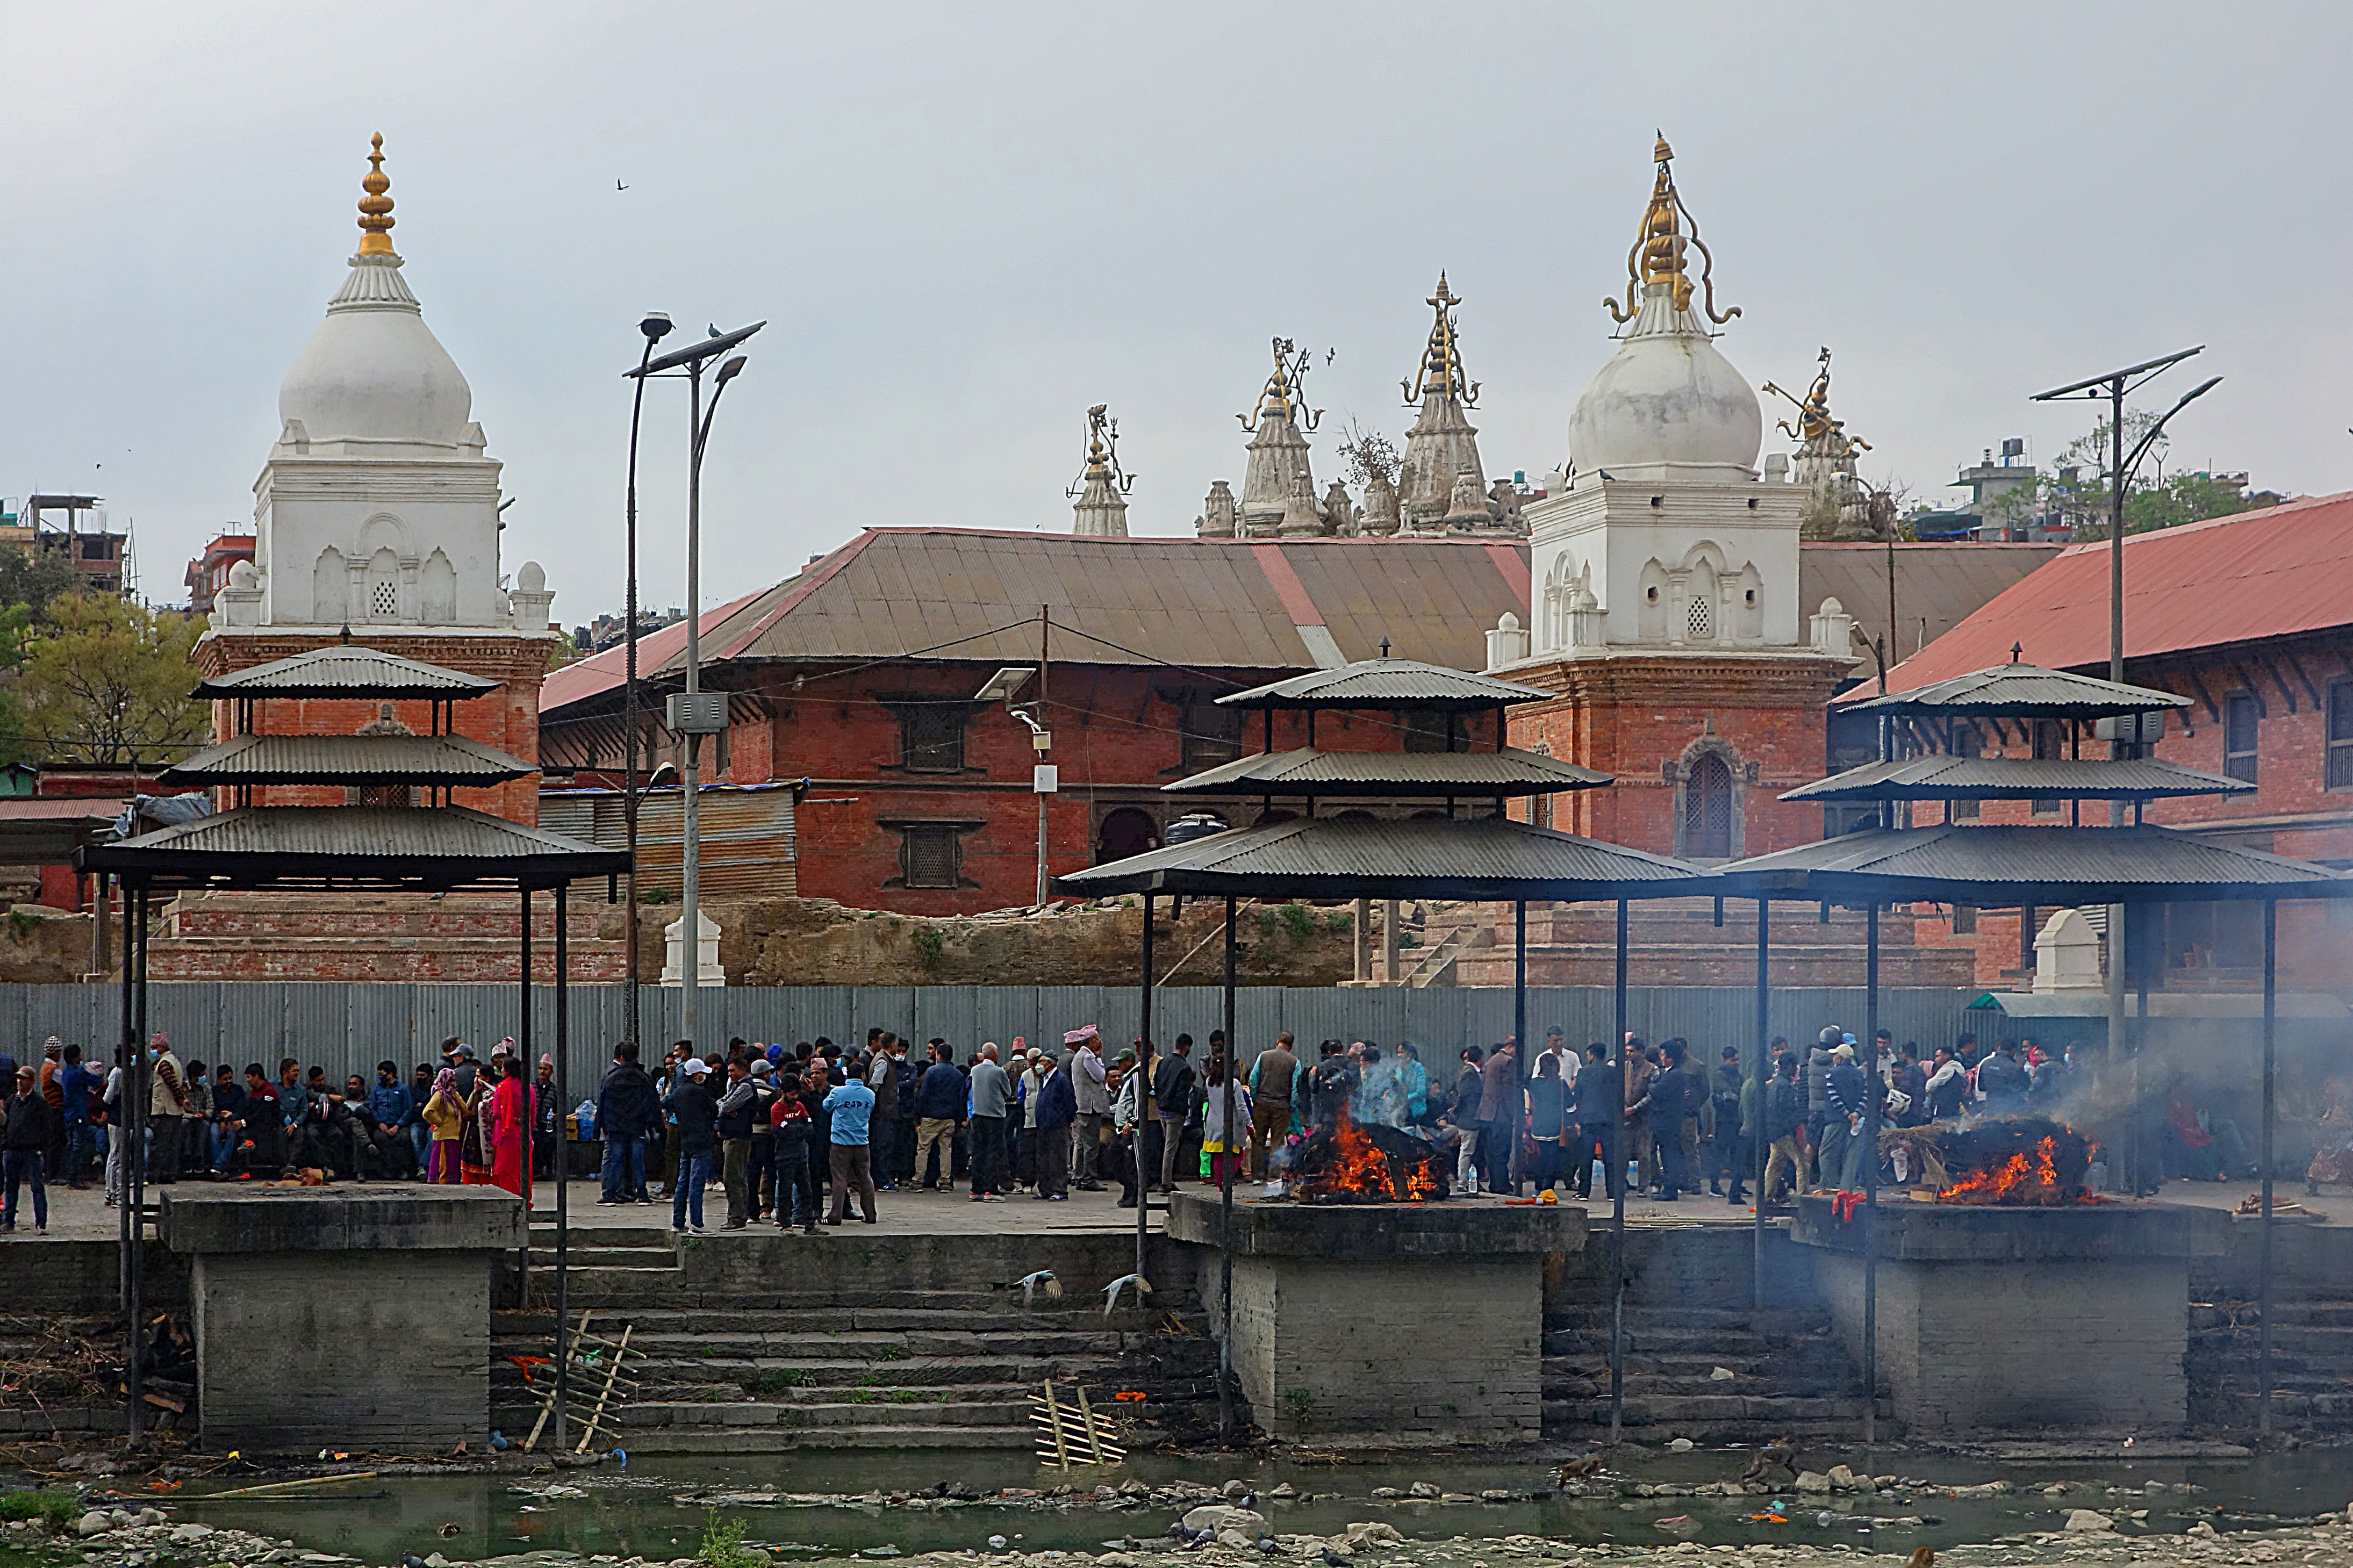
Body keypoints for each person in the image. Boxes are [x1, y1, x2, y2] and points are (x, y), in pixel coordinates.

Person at [596, 1042, 660, 1204]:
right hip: (637, 1125)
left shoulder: (611, 1078)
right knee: (638, 1160)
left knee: (616, 1160)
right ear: (637, 1056)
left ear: (622, 1057)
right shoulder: (643, 1078)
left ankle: (610, 1195)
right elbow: (654, 1102)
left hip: (616, 1127)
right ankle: (643, 1195)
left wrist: (598, 1129)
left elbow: (603, 1104)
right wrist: (657, 1126)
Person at [665, 1057, 719, 1233]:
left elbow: (666, 1102)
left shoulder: (679, 1091)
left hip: (685, 1140)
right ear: (696, 1075)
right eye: (702, 1073)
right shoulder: (699, 1092)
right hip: (701, 1141)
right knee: (697, 1184)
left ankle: (678, 1222)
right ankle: (697, 1223)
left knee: (682, 1183)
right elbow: (714, 1110)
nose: (704, 1076)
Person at [4, 1062, 58, 1233]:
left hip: (32, 1152)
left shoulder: (39, 1103)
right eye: (19, 1078)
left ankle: (41, 1223)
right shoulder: (12, 1100)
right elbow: (6, 1125)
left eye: (24, 1078)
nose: (20, 1081)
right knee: (10, 1187)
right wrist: (5, 1144)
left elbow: (47, 1129)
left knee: (37, 1187)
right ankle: (8, 1222)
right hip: (12, 1150)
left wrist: (40, 1148)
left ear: (32, 1081)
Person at [823, 1064, 878, 1225]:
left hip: (840, 1143)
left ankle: (835, 1216)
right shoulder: (870, 1094)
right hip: (862, 1142)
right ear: (862, 1075)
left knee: (839, 1179)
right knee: (865, 1178)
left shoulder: (838, 1093)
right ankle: (870, 1215)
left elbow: (826, 1107)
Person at [769, 1071, 822, 1233]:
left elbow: (809, 1128)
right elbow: (781, 1132)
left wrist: (794, 1127)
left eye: (797, 1094)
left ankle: (810, 1224)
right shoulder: (776, 1109)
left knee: (806, 1191)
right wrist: (798, 1128)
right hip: (785, 1157)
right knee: (785, 1192)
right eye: (792, 1094)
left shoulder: (800, 1107)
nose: (795, 1097)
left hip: (801, 1156)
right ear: (783, 1093)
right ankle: (786, 1225)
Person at [912, 1040, 964, 1191]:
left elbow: (924, 1094)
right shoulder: (958, 1075)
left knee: (923, 1149)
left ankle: (918, 1181)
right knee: (946, 1150)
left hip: (931, 1117)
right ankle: (945, 1182)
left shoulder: (932, 1072)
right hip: (949, 1118)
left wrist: (918, 1114)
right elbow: (960, 1098)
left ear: (939, 1056)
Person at [714, 1058, 759, 1228]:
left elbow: (724, 1107)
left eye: (733, 1071)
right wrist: (725, 1107)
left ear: (743, 1070)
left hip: (738, 1138)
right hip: (731, 1137)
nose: (730, 1074)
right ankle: (738, 1214)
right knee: (737, 1177)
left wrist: (726, 1109)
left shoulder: (746, 1087)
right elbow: (722, 1103)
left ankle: (737, 1217)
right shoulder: (735, 1086)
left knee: (732, 1178)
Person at [1150, 1035, 1197, 1193]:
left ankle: (1165, 1179)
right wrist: (1183, 1112)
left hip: (1162, 1110)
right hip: (1175, 1113)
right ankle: (1166, 1183)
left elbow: (1155, 1083)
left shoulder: (1163, 1062)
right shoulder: (1184, 1067)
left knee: (1167, 1146)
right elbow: (1182, 1093)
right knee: (1171, 1148)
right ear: (1187, 1047)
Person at [1570, 1043, 1617, 1200]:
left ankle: (1584, 1192)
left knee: (1586, 1156)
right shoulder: (1613, 1072)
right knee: (1610, 1156)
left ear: (1592, 1055)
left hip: (1588, 1119)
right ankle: (1612, 1192)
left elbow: (1577, 1095)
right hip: (1608, 1119)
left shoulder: (1583, 1072)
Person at [1761, 1052, 1807, 1206]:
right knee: (1802, 1164)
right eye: (1795, 1066)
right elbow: (1790, 1112)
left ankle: (1768, 1197)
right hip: (1785, 1132)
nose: (1796, 1070)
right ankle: (1804, 1198)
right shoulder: (1786, 1087)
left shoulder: (1773, 1084)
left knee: (1775, 1165)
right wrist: (1795, 1132)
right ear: (1789, 1067)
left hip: (1773, 1131)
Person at [967, 1043, 1012, 1202]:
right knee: (994, 1153)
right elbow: (1008, 1092)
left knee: (979, 1152)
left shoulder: (975, 1070)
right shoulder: (999, 1072)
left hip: (978, 1116)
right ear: (994, 1055)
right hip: (995, 1117)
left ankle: (976, 1189)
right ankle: (991, 1190)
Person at [1200, 1056, 1252, 1189]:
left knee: (1218, 1157)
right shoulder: (1234, 1083)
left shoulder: (1209, 1082)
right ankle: (1227, 1181)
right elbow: (1241, 1106)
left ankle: (1220, 1184)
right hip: (1231, 1124)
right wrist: (1249, 1124)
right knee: (1237, 1154)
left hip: (1213, 1123)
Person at [1067, 1027, 1110, 1190]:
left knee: (1081, 1145)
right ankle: (1089, 1179)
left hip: (1082, 1106)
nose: (1100, 1042)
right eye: (1098, 1039)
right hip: (1090, 1107)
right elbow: (1100, 1076)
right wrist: (1099, 1059)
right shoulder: (1088, 1057)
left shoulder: (1079, 1056)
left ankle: (1079, 1177)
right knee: (1091, 1145)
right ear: (1091, 1041)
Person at [489, 1057, 535, 1204]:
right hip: (523, 1135)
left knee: (505, 1172)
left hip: (505, 1136)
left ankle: (509, 1203)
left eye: (503, 1068)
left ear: (507, 1070)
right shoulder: (530, 1088)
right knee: (523, 1171)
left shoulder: (502, 1088)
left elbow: (496, 1114)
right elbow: (533, 1115)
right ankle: (524, 1202)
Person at [1031, 1049, 1076, 1200]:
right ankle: (1046, 1190)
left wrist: (1065, 1120)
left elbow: (1070, 1103)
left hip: (1057, 1125)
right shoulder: (1044, 1079)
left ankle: (1060, 1191)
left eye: (1041, 1062)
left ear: (1050, 1063)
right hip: (1043, 1125)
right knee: (1043, 1159)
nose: (1038, 1065)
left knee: (1058, 1159)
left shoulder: (1061, 1080)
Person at [148, 1033, 191, 1185]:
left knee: (159, 1145)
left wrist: (182, 1100)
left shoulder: (165, 1064)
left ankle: (155, 1175)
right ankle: (169, 1174)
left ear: (161, 1047)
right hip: (174, 1111)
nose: (152, 1051)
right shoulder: (174, 1061)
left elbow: (172, 1083)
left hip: (165, 1110)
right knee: (172, 1145)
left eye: (154, 1048)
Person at [364, 1060, 417, 1179]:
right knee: (380, 1139)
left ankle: (402, 1170)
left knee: (402, 1139)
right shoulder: (377, 1089)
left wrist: (397, 1126)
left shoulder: (403, 1089)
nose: (380, 1077)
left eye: (382, 1074)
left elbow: (408, 1109)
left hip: (399, 1125)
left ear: (391, 1074)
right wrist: (380, 1123)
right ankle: (387, 1169)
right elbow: (373, 1107)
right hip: (383, 1125)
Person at [1479, 1039, 1519, 1196]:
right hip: (1501, 1115)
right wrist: (1513, 1113)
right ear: (1510, 1047)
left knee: (1492, 1153)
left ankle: (1495, 1183)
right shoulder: (1508, 1062)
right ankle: (1501, 1185)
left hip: (1487, 1114)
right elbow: (1508, 1091)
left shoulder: (1491, 1061)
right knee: (1503, 1152)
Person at [1526, 1052, 1568, 1196]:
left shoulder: (1534, 1083)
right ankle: (1549, 1190)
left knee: (1541, 1157)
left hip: (1538, 1125)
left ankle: (1537, 1188)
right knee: (1553, 1159)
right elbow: (1570, 1105)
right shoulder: (1561, 1084)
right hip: (1556, 1126)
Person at [1447, 1047, 1485, 1190]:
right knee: (1467, 1152)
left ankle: (1468, 1181)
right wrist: (1456, 1111)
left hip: (1471, 1119)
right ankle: (1463, 1183)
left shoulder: (1471, 1072)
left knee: (1469, 1152)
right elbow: (1462, 1096)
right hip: (1469, 1120)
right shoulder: (1469, 1074)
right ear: (1481, 1058)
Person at [1710, 1046, 1745, 1199]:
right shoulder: (1719, 1075)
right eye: (1733, 1060)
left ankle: (1737, 1184)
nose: (1736, 1063)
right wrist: (1736, 1093)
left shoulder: (1738, 1076)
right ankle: (1714, 1185)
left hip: (1737, 1120)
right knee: (1720, 1153)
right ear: (1725, 1060)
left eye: (1737, 1060)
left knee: (1737, 1155)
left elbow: (1739, 1094)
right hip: (1724, 1121)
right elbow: (1729, 1095)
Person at [1621, 1037, 1654, 1197]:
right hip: (1626, 1116)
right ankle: (1621, 1184)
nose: (1628, 1054)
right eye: (1627, 1051)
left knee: (1644, 1153)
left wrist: (1634, 1108)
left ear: (1641, 1052)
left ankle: (1642, 1187)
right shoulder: (1624, 1067)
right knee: (1624, 1152)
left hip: (1644, 1117)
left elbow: (1651, 1095)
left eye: (1632, 1051)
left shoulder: (1652, 1069)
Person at [1976, 1040, 2031, 1116]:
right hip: (2011, 1112)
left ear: (1999, 1048)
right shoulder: (2015, 1067)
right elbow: (2027, 1087)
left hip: (1991, 1109)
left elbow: (1981, 1087)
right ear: (2013, 1051)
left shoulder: (1986, 1063)